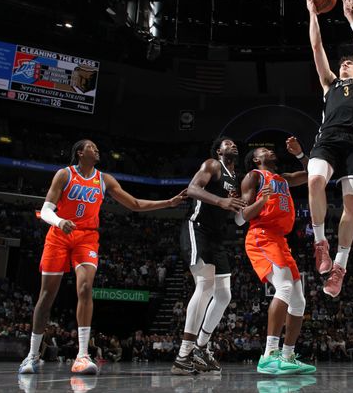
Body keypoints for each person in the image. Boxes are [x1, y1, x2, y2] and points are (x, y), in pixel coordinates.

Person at [19, 139, 186, 375]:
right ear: (80, 152)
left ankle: (82, 356)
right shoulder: (64, 175)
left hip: (86, 238)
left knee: (86, 288)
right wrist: (59, 221)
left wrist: (168, 203)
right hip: (58, 234)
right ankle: (32, 355)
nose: (97, 149)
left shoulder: (104, 179)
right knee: (46, 296)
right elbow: (46, 209)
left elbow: (135, 204)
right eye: (91, 146)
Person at [305, 0, 353, 298]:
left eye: (350, 63)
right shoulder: (329, 83)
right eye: (343, 63)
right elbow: (316, 46)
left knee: (352, 206)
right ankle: (321, 244)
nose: (346, 65)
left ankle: (340, 268)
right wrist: (313, 15)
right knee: (315, 181)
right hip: (328, 140)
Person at [239, 137, 316, 375]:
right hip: (262, 235)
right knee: (283, 288)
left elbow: (313, 174)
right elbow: (243, 214)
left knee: (299, 301)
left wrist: (301, 154)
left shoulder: (283, 179)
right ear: (256, 158)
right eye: (264, 149)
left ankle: (288, 355)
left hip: (281, 240)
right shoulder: (254, 176)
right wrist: (262, 200)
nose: (269, 150)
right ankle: (269, 354)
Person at [173, 137, 246, 375]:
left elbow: (239, 213)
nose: (232, 145)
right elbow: (192, 189)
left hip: (217, 237)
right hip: (198, 228)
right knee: (205, 286)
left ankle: (201, 348)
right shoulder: (213, 165)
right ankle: (183, 355)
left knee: (224, 295)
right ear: (218, 151)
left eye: (234, 143)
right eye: (227, 143)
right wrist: (220, 201)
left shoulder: (237, 179)